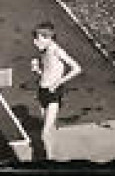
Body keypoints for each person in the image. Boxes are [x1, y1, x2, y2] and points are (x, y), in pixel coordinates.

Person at [30, 22, 83, 161]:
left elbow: (77, 68)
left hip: (53, 94)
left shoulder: (56, 50)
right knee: (50, 128)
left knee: (44, 133)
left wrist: (58, 83)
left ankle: (50, 163)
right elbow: (47, 74)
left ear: (48, 37)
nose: (34, 42)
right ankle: (52, 156)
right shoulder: (44, 52)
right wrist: (37, 71)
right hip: (42, 92)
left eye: (37, 39)